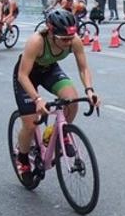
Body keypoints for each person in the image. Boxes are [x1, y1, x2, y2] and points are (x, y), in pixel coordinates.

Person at [12, 9, 100, 184]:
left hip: (49, 70)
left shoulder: (74, 40)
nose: (68, 43)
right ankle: (22, 159)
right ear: (51, 33)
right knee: (30, 124)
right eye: (64, 40)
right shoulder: (36, 41)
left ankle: (56, 133)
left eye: (70, 38)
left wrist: (90, 90)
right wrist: (37, 99)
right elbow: (23, 75)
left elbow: (83, 68)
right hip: (27, 75)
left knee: (72, 99)